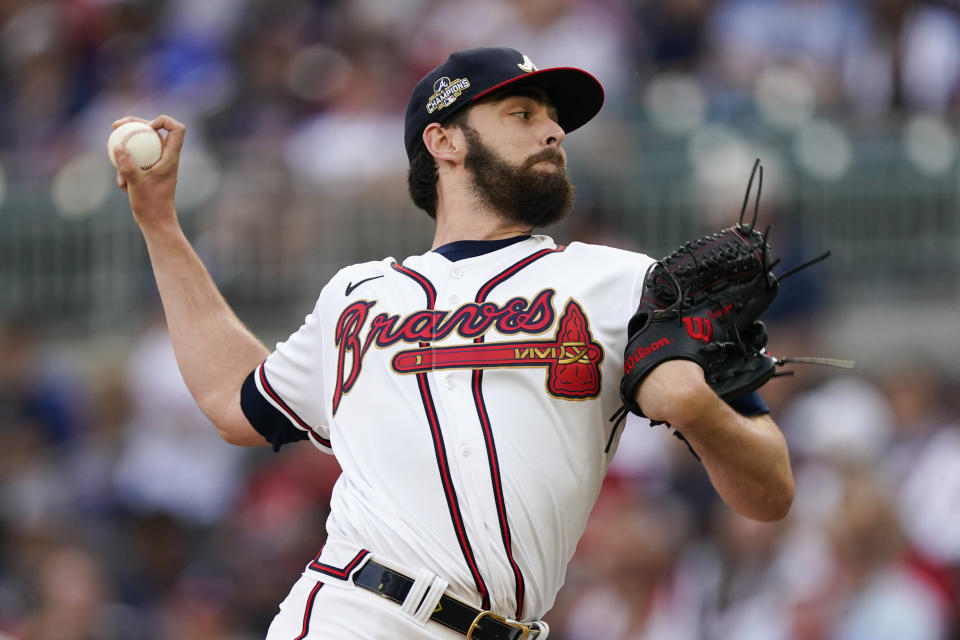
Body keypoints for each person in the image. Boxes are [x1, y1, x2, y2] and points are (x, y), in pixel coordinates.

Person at [112, 46, 794, 640]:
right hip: (355, 614)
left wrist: (700, 409)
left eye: (554, 119)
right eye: (523, 114)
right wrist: (160, 224)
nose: (554, 130)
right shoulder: (359, 293)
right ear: (444, 142)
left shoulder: (623, 282)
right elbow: (234, 402)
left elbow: (771, 494)